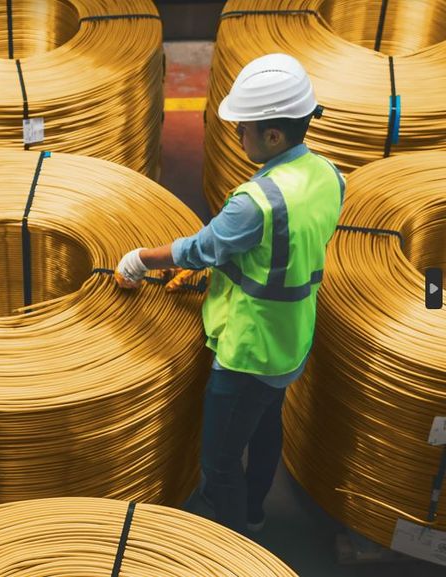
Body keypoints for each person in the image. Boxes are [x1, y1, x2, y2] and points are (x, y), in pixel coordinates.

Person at [115, 53, 344, 535]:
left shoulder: (255, 201)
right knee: (264, 427)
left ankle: (232, 537)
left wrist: (140, 260)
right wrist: (222, 272)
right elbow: (281, 250)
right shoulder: (328, 175)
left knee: (218, 460)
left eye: (245, 129)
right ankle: (256, 510)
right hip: (292, 337)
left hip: (249, 350)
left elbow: (200, 248)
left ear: (274, 136)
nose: (238, 137)